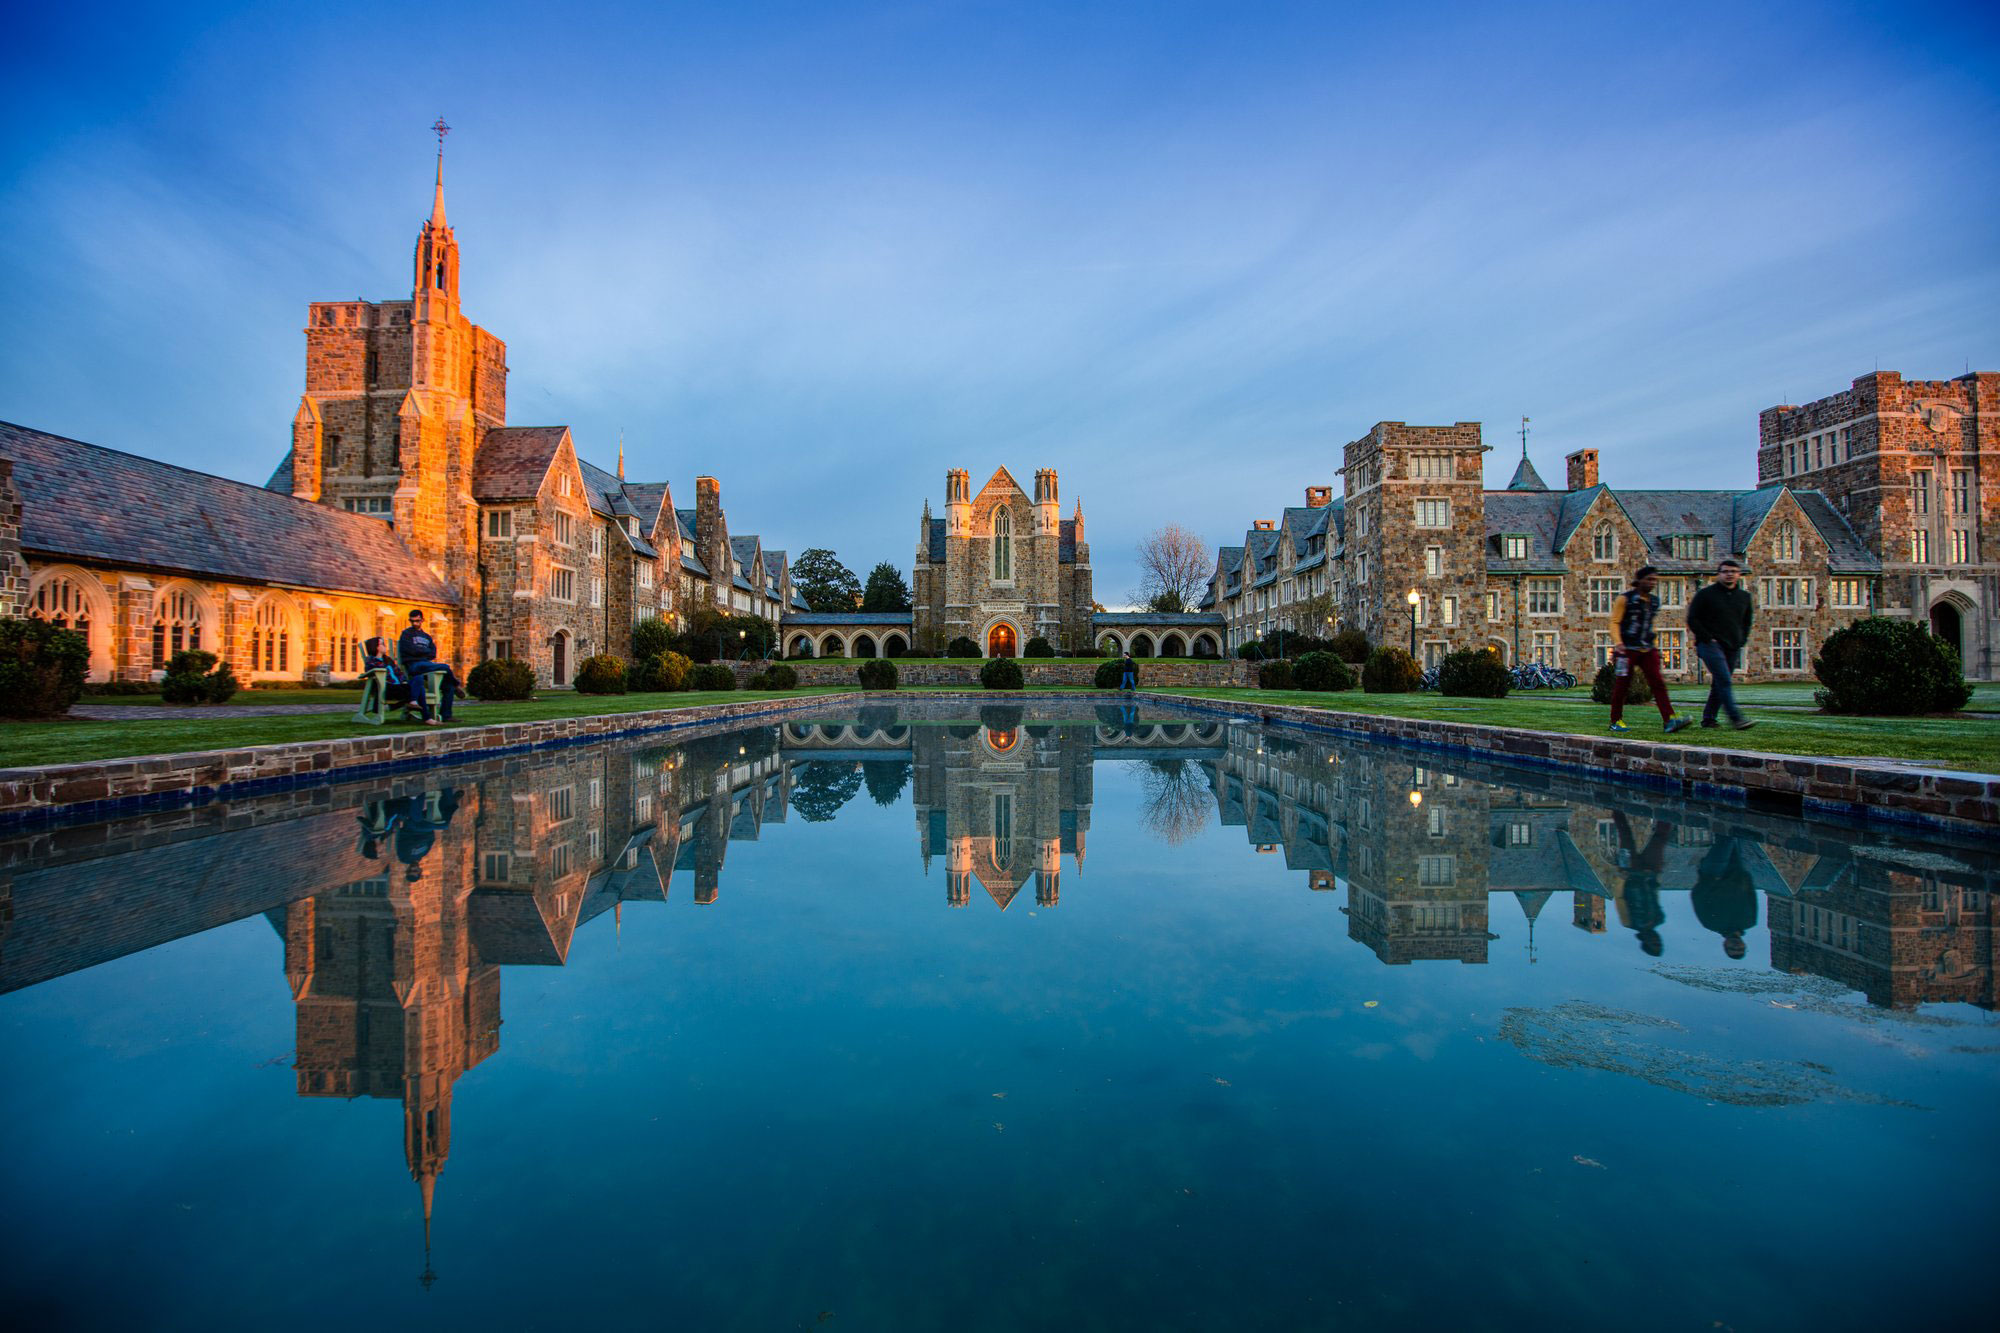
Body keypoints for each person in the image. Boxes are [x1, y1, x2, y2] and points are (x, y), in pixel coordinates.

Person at [1608, 565, 1690, 735]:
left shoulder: (1654, 601)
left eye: (1655, 580)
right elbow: (1615, 622)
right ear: (1639, 580)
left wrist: (1654, 645)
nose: (1653, 583)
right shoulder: (1625, 599)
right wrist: (1618, 643)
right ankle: (1615, 721)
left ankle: (1669, 719)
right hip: (1627, 649)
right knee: (1622, 685)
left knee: (1658, 683)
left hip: (1647, 648)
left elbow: (1649, 624)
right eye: (1649, 579)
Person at [1686, 558, 1756, 731]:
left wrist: (1741, 640)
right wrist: (1707, 637)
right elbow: (1692, 618)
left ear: (1739, 574)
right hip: (1709, 644)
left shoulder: (1744, 597)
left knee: (1719, 683)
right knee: (1724, 679)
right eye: (1725, 571)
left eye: (1733, 571)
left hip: (1732, 645)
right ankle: (1736, 718)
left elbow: (1747, 622)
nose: (1729, 575)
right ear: (1719, 574)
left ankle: (1709, 719)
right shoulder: (1706, 594)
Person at [1610, 811, 1673, 957]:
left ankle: (1615, 808)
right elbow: (1655, 897)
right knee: (1660, 839)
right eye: (1659, 943)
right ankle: (1666, 813)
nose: (1657, 940)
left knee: (1625, 835)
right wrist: (1656, 877)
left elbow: (1620, 900)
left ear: (1645, 942)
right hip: (1649, 873)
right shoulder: (1659, 919)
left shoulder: (1629, 923)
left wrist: (1621, 878)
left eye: (1654, 943)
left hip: (1629, 872)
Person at [1691, 838, 1757, 960]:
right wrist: (1745, 877)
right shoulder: (1750, 922)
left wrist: (1711, 880)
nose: (1736, 946)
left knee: (1727, 838)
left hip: (1715, 872)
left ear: (1725, 945)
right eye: (1740, 948)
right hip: (1737, 870)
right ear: (1744, 945)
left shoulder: (1711, 923)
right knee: (1736, 836)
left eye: (1732, 948)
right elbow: (1751, 896)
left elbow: (1697, 897)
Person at [397, 609, 459, 725]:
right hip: (414, 665)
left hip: (426, 666)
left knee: (448, 686)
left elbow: (433, 653)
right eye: (412, 621)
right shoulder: (406, 634)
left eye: (417, 621)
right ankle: (456, 685)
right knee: (445, 667)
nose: (414, 623)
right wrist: (424, 651)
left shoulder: (427, 637)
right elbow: (409, 650)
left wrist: (420, 651)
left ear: (422, 620)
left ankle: (446, 715)